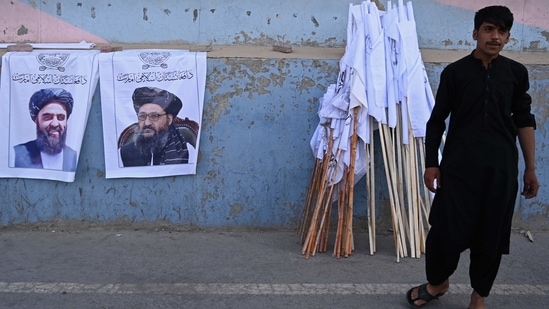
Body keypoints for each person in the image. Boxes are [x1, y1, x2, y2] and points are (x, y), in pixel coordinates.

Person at [406, 5, 539, 309]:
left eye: (502, 31)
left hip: (500, 170)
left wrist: (530, 168)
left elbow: (524, 119)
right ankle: (438, 283)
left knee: (491, 236)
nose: (495, 36)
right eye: (489, 29)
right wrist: (431, 163)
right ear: (475, 33)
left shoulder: (516, 74)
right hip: (458, 169)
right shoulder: (455, 73)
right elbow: (437, 120)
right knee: (444, 231)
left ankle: (479, 296)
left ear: (508, 37)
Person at [119, 86, 190, 166]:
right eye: (142, 116)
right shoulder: (127, 152)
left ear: (169, 119)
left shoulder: (185, 150)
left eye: (154, 116)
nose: (147, 123)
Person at [14, 88, 77, 171]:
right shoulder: (17, 154)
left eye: (61, 118)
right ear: (36, 120)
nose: (55, 124)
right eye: (48, 117)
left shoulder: (74, 157)